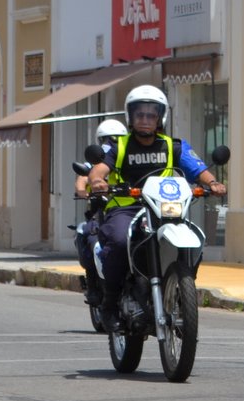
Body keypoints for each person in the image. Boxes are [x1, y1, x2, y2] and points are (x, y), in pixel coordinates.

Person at [86, 85, 227, 330]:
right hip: (127, 209)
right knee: (119, 241)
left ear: (160, 117)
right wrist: (97, 181)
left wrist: (212, 183)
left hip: (163, 208)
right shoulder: (119, 146)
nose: (145, 119)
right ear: (130, 116)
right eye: (139, 114)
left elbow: (198, 170)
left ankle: (182, 289)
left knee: (194, 237)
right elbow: (98, 170)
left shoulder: (173, 146)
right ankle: (109, 304)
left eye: (151, 114)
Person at [73, 118, 128, 306]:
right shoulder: (100, 157)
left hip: (130, 209)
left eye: (118, 138)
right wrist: (85, 189)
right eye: (108, 139)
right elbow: (84, 177)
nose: (112, 142)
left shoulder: (128, 153)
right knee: (89, 235)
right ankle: (93, 286)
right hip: (102, 211)